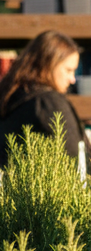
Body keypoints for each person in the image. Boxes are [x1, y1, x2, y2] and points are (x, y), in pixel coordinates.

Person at [0, 30, 83, 167]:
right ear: (48, 65)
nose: (72, 79)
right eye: (68, 70)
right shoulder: (48, 102)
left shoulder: (11, 95)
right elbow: (73, 157)